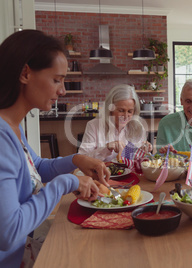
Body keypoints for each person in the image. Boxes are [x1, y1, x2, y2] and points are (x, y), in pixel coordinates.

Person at [0, 30, 110, 267]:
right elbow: (8, 233)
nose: (63, 91)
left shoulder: (12, 128)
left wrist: (76, 160)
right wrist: (67, 183)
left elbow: (35, 168)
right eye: (56, 80)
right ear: (25, 73)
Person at [78, 84, 151, 162]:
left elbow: (141, 162)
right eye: (121, 110)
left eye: (130, 111)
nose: (126, 116)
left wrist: (144, 151)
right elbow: (82, 159)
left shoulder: (138, 128)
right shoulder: (93, 125)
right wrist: (106, 149)